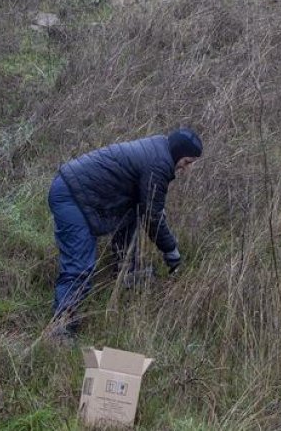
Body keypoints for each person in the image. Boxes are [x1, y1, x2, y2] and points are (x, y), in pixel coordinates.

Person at [48, 128, 203, 337]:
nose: (185, 168)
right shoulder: (159, 163)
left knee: (130, 213)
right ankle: (61, 329)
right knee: (79, 268)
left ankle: (126, 273)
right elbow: (152, 216)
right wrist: (170, 249)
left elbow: (142, 207)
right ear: (178, 153)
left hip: (78, 190)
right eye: (186, 162)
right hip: (71, 194)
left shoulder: (158, 150)